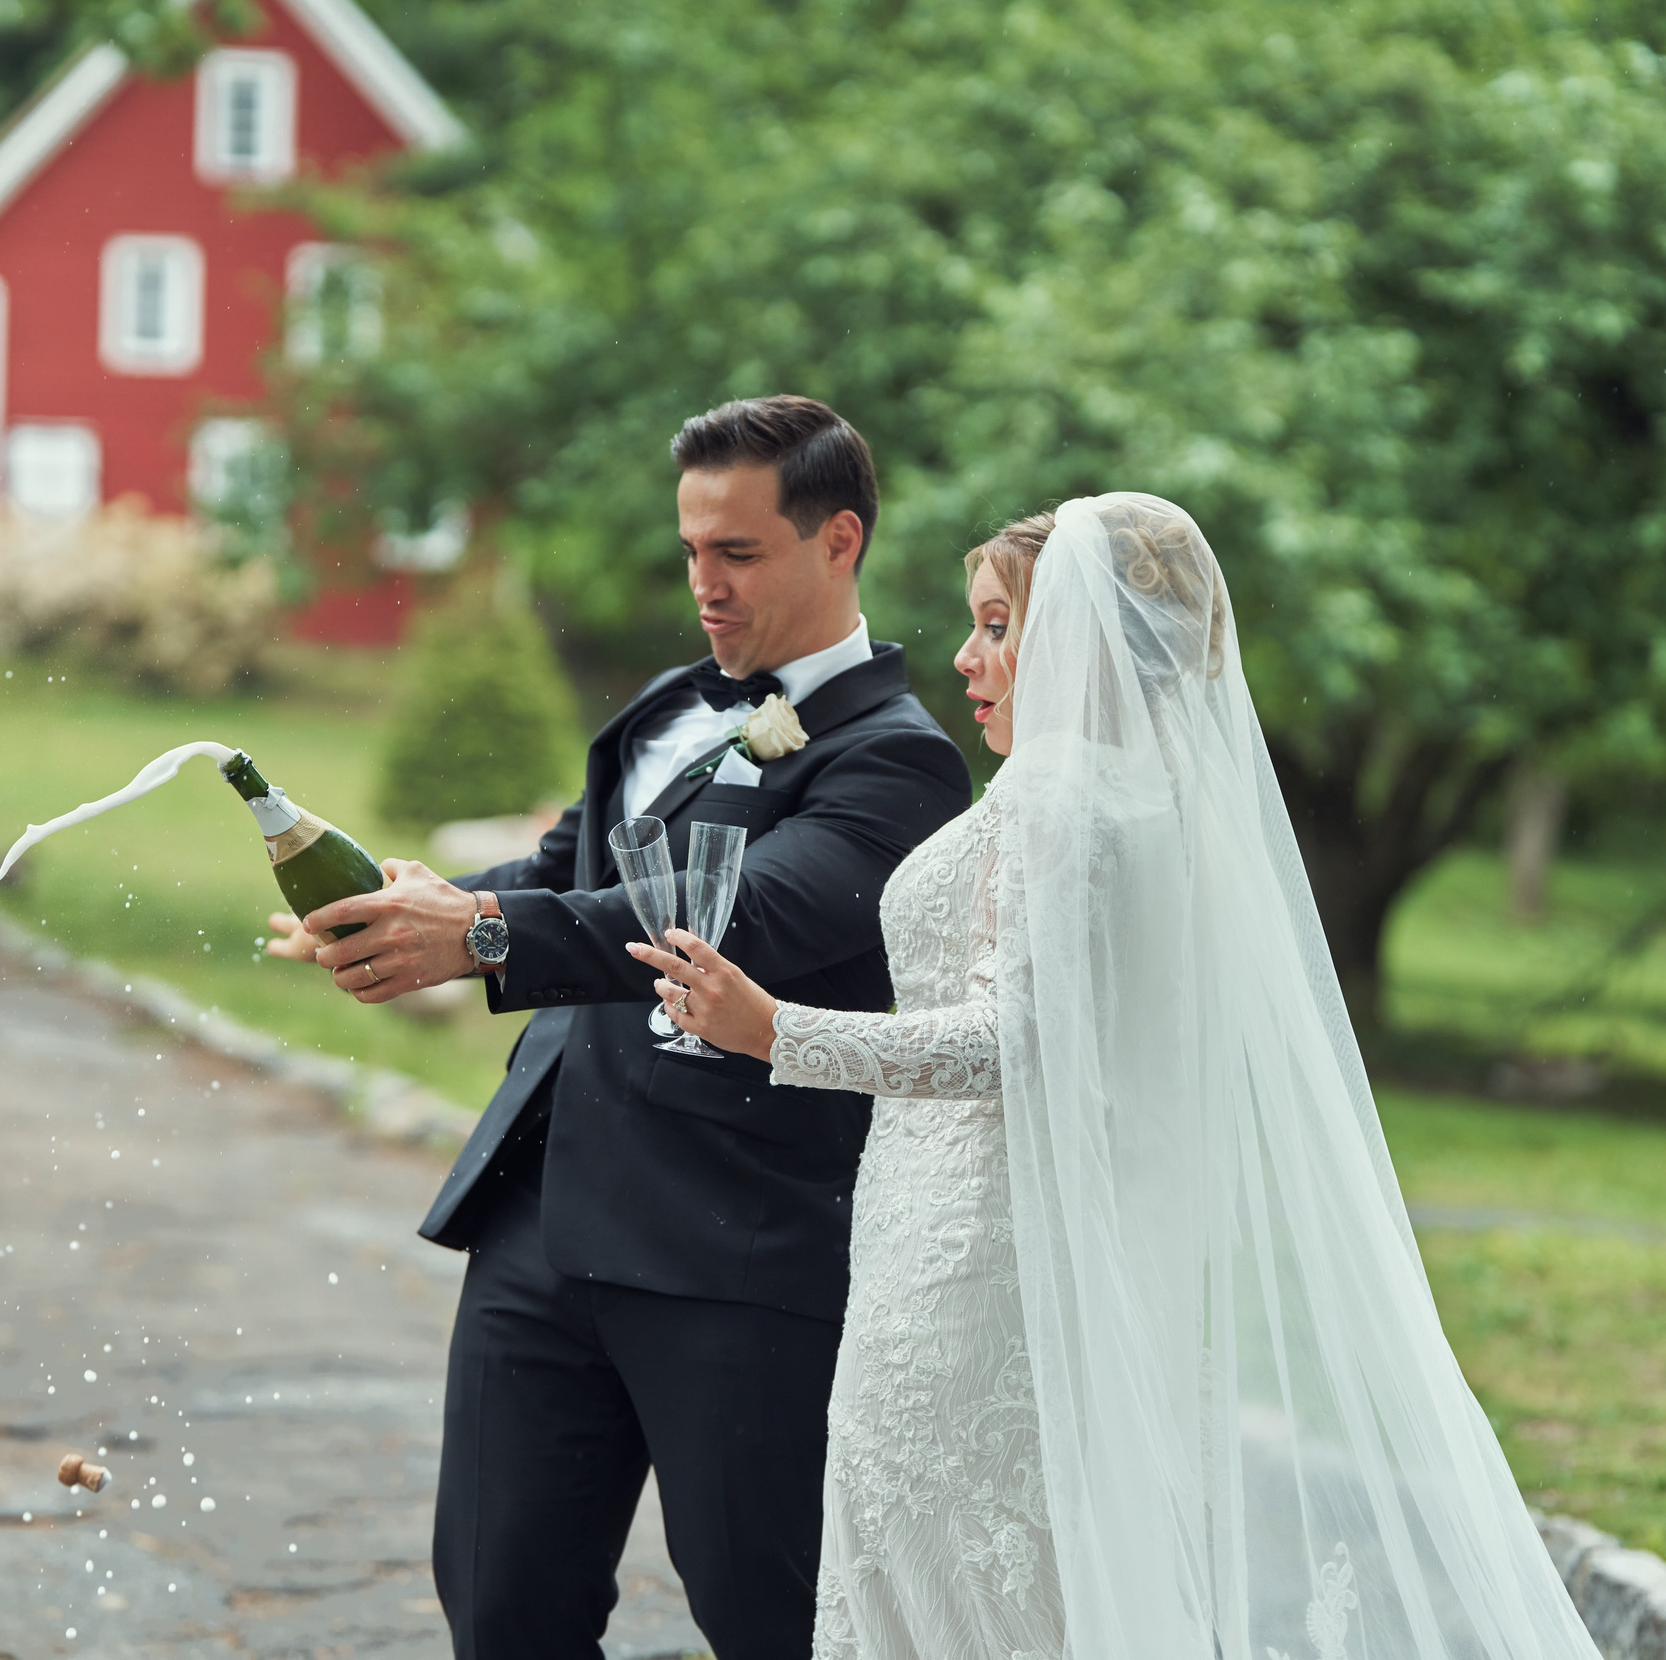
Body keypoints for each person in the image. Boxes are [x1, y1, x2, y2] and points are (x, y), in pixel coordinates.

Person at [634, 494, 1603, 1659]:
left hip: (964, 1270)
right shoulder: (1157, 805)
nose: (964, 656)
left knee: (943, 1588)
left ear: (1078, 641)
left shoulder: (1055, 800)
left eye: (996, 626)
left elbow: (1007, 1041)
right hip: (1018, 1252)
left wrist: (777, 1030)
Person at [266, 396, 971, 1659]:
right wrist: (411, 914)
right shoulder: (664, 707)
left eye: (737, 554)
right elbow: (560, 874)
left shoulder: (899, 762)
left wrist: (482, 940)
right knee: (499, 1608)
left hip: (732, 1249)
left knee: (768, 1617)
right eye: (691, 551)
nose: (703, 584)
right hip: (537, 1221)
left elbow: (747, 916)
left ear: (839, 541)